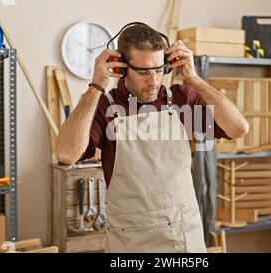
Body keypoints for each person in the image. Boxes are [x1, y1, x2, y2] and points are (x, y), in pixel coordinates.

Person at [56, 22, 249, 253]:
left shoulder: (181, 99)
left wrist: (194, 79)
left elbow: (239, 128)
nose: (154, 81)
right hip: (131, 243)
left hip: (183, 237)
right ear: (121, 68)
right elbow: (66, 154)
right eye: (145, 72)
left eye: (159, 70)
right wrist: (96, 86)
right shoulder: (104, 107)